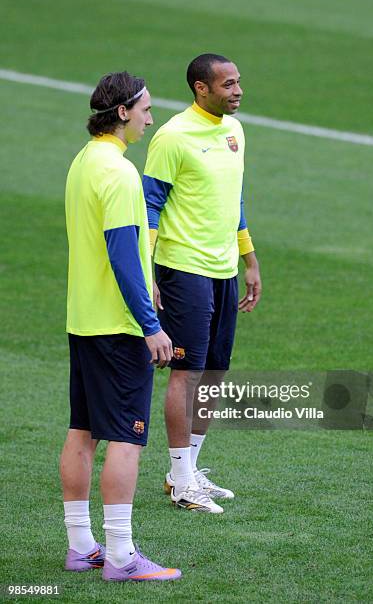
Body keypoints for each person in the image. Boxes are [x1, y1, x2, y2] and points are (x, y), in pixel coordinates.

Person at [61, 71, 181, 581]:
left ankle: (80, 545)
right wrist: (150, 324)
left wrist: (145, 279)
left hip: (84, 320)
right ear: (124, 111)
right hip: (118, 327)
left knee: (82, 433)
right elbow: (121, 256)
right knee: (126, 439)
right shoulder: (121, 173)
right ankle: (120, 555)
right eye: (147, 109)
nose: (152, 118)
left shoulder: (84, 161)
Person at [142, 54, 262, 514]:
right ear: (200, 88)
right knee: (187, 372)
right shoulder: (172, 137)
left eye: (238, 82)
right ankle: (180, 475)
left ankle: (186, 473)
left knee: (214, 372)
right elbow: (150, 207)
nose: (237, 90)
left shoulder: (235, 132)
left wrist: (249, 258)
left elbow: (235, 199)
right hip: (183, 268)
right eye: (228, 84)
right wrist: (147, 271)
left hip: (223, 268)